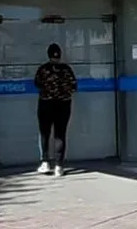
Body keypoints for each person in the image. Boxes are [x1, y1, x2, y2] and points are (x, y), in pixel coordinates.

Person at [34, 43, 77, 177]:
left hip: (46, 104)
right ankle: (59, 166)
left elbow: (37, 84)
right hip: (63, 105)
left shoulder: (43, 69)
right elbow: (74, 86)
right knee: (60, 134)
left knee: (44, 133)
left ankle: (45, 162)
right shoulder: (66, 70)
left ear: (48, 54)